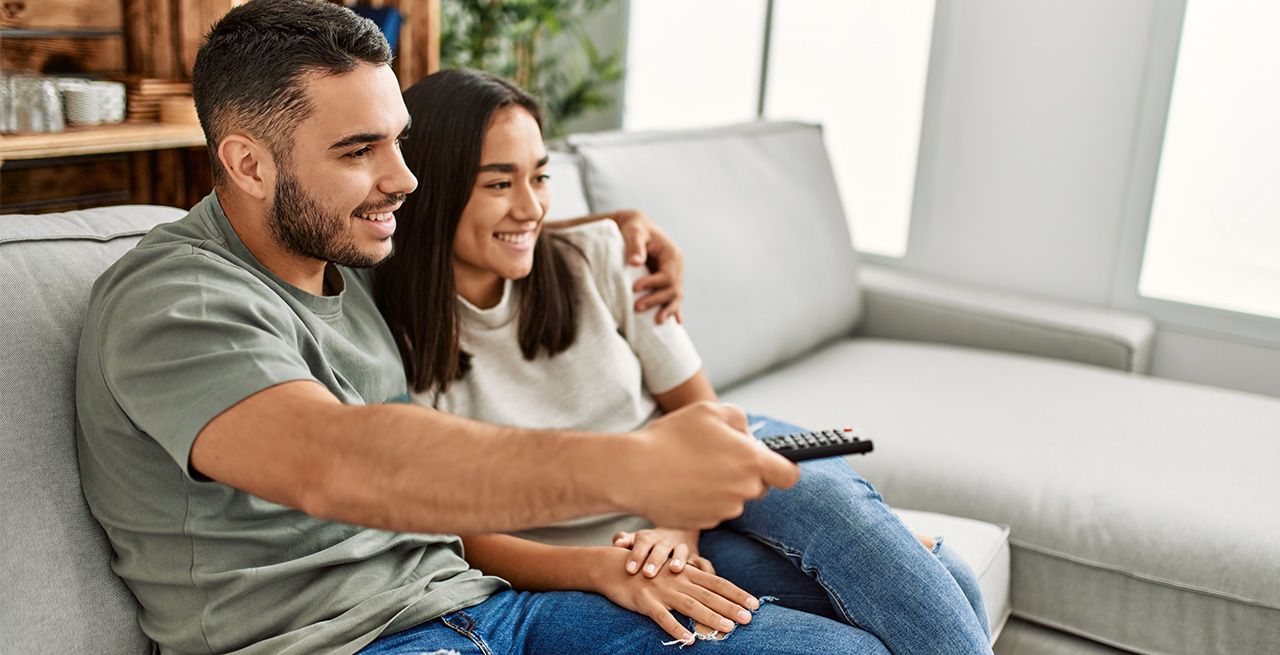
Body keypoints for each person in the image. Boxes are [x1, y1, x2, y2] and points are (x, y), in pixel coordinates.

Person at [73, 1, 828, 653]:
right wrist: (637, 466)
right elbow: (339, 463)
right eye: (358, 150)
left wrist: (615, 228)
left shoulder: (343, 250)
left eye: (396, 139)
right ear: (249, 163)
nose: (402, 177)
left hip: (484, 603)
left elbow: (473, 230)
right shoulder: (178, 302)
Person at [372, 69, 994, 654]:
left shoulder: (599, 256)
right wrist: (614, 564)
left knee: (838, 516)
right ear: (433, 188)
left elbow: (704, 415)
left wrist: (679, 525)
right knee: (945, 576)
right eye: (499, 184)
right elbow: (462, 536)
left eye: (541, 177)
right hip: (615, 545)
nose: (532, 207)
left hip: (703, 469)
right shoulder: (387, 341)